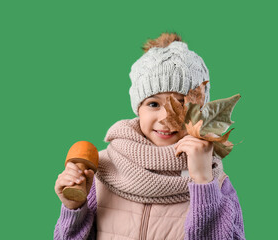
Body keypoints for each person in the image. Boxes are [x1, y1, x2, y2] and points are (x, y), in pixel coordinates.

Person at [53, 32, 246, 240]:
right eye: (153, 104)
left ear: (199, 111)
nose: (165, 118)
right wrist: (74, 209)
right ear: (138, 108)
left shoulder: (216, 183)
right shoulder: (101, 171)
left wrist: (202, 182)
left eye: (180, 103)